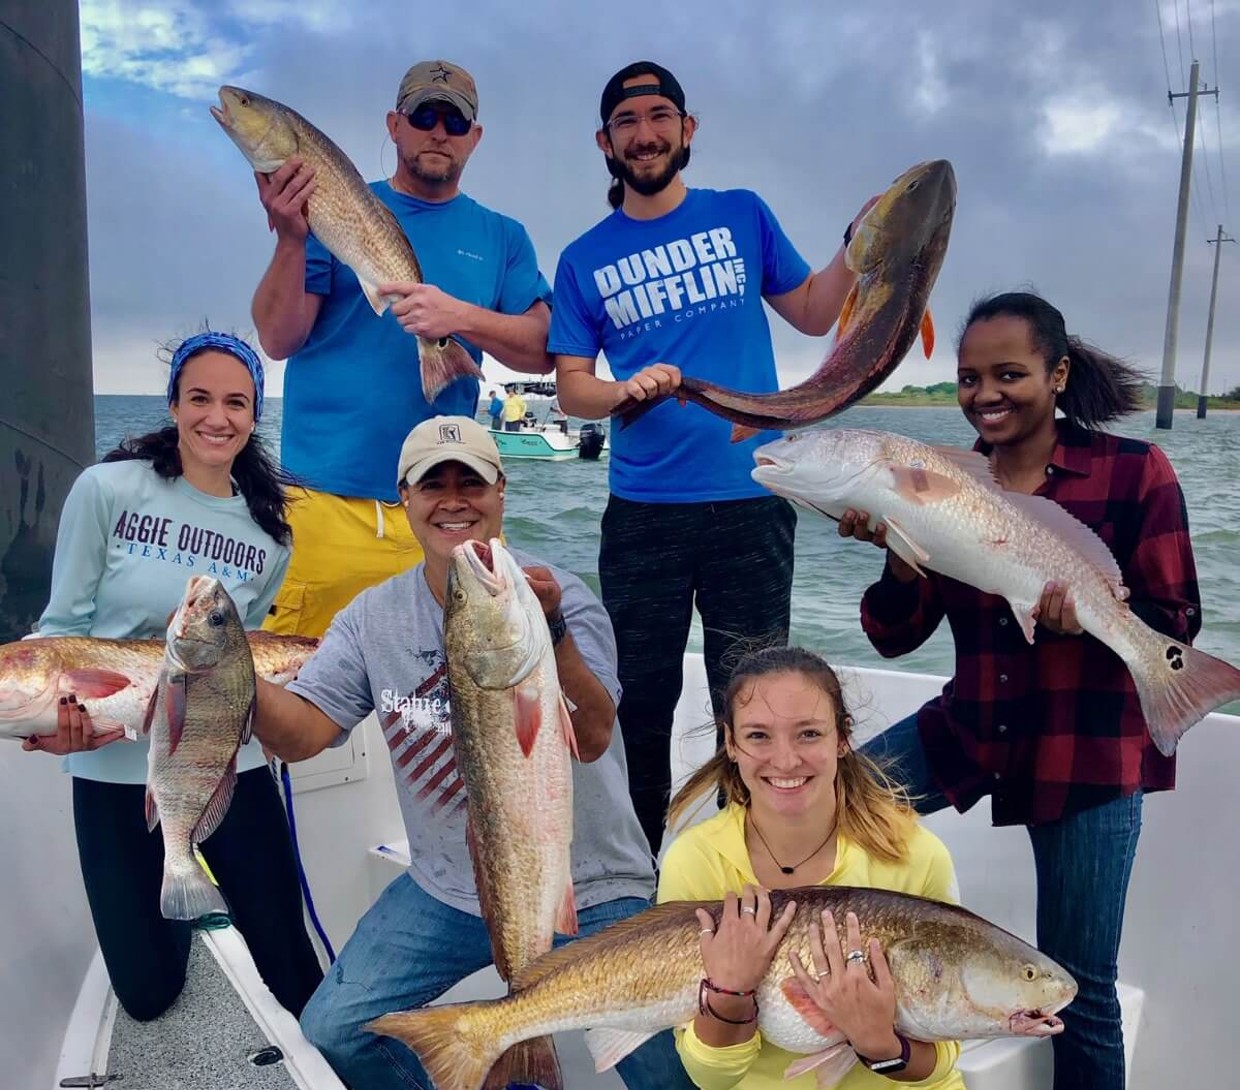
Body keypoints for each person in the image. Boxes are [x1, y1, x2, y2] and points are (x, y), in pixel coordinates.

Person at [249, 416, 704, 1090]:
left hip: (596, 883)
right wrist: (229, 681)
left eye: (471, 482)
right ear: (405, 498)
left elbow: (594, 734)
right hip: (451, 886)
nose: (453, 500)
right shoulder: (371, 619)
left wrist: (552, 629)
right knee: (333, 1030)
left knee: (668, 1079)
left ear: (501, 492)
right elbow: (305, 735)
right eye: (434, 483)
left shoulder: (560, 596)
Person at [840, 291, 1199, 1090]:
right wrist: (899, 554)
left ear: (1058, 376)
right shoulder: (948, 477)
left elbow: (1179, 622)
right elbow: (890, 633)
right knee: (834, 811)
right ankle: (846, 1081)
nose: (985, 396)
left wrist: (1093, 620)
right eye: (969, 378)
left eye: (1008, 375)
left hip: (1087, 751)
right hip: (973, 726)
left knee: (1080, 991)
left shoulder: (1135, 473)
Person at [549, 60, 877, 857]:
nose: (645, 134)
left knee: (757, 701)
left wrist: (862, 240)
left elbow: (813, 310)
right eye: (628, 122)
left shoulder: (742, 216)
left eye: (660, 116)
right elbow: (570, 392)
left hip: (752, 502)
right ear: (605, 141)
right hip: (644, 515)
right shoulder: (583, 257)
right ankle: (639, 876)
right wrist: (626, 391)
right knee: (643, 701)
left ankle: (753, 861)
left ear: (687, 130)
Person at [22, 332, 323, 1022]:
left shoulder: (269, 533)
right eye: (201, 398)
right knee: (148, 996)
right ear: (174, 405)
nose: (218, 418)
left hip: (225, 760)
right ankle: (183, 906)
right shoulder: (106, 489)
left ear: (254, 415)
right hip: (114, 774)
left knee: (291, 968)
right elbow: (61, 626)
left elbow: (244, 649)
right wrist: (54, 725)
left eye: (236, 402)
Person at [657, 646, 970, 1090]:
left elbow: (944, 1056)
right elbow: (712, 1075)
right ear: (729, 743)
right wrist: (730, 994)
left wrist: (881, 1044)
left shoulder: (911, 854)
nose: (785, 759)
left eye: (808, 733)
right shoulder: (696, 864)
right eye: (758, 735)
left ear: (843, 738)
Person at [250, 59, 552, 638]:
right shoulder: (331, 204)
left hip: (450, 510)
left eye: (455, 120)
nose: (438, 131)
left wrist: (456, 316)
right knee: (310, 708)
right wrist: (290, 237)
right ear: (395, 124)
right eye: (423, 115)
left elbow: (542, 349)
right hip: (323, 502)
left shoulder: (503, 236)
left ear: (476, 137)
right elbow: (277, 338)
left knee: (465, 703)